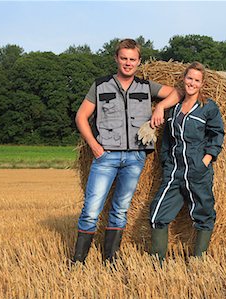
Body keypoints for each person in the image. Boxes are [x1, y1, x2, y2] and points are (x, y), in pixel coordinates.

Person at [72, 38, 180, 265]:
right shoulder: (100, 86)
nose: (128, 63)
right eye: (124, 58)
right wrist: (94, 145)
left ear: (139, 61)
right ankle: (77, 262)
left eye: (132, 59)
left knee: (120, 210)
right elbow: (81, 117)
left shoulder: (146, 87)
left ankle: (110, 260)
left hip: (135, 158)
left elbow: (178, 92)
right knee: (91, 210)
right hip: (106, 156)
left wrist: (160, 106)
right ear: (116, 59)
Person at [149, 62, 225, 264]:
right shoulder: (173, 108)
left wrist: (205, 161)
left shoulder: (208, 107)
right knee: (158, 213)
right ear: (184, 78)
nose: (192, 83)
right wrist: (166, 162)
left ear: (202, 83)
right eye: (189, 78)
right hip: (174, 170)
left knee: (204, 213)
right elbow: (166, 139)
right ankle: (156, 264)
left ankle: (197, 262)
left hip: (197, 171)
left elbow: (217, 135)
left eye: (196, 80)